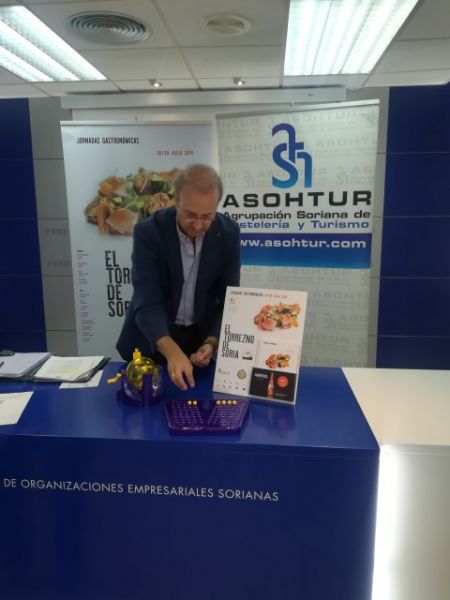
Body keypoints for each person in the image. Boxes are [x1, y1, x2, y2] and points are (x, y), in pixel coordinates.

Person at [116, 164, 241, 391]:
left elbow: (229, 297)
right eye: (190, 215)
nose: (198, 225)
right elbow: (147, 299)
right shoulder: (149, 232)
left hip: (199, 341)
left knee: (199, 403)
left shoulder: (229, 233)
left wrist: (212, 342)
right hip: (153, 340)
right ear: (176, 202)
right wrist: (172, 352)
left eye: (207, 217)